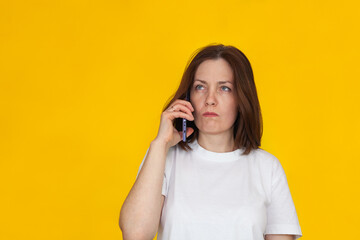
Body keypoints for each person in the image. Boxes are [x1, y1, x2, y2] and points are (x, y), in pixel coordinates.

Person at [119, 44, 302, 240]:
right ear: (188, 97)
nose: (210, 99)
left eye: (224, 88)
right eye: (200, 87)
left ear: (241, 99)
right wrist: (160, 143)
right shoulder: (163, 157)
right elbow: (135, 234)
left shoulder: (267, 167)